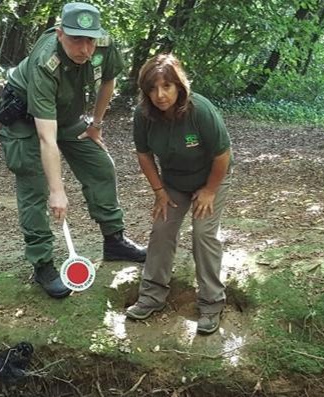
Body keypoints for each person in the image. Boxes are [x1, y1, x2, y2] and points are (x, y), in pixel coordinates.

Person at [0, 2, 146, 299]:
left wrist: (96, 125)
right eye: (76, 39)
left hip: (67, 115)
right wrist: (57, 190)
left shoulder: (103, 45)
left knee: (100, 166)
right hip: (27, 121)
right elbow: (46, 139)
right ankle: (42, 264)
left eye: (90, 39)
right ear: (60, 33)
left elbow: (109, 80)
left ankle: (114, 240)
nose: (85, 49)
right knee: (35, 187)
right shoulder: (45, 61)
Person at [125, 54, 233, 335]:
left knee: (203, 232)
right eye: (152, 89)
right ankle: (151, 295)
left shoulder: (200, 111)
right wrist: (159, 191)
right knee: (161, 229)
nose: (160, 95)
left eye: (167, 87)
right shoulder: (144, 115)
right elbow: (144, 154)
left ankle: (211, 303)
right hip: (173, 182)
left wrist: (209, 191)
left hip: (211, 179)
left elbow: (223, 155)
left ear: (179, 87)